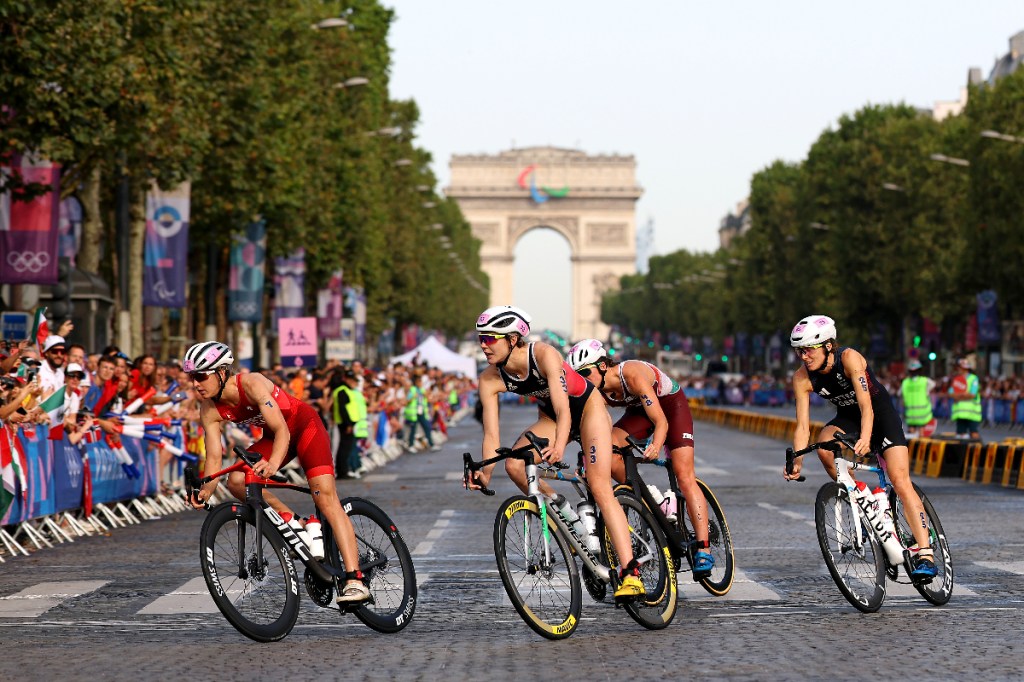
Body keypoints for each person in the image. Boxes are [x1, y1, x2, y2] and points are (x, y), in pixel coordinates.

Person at [466, 305, 645, 600]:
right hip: (550, 419)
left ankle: (630, 573)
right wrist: (485, 473)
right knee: (513, 465)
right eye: (480, 339)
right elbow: (491, 436)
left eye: (490, 339)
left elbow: (564, 409)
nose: (484, 345)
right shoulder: (488, 379)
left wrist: (559, 446)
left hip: (586, 410)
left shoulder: (544, 354)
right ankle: (563, 509)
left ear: (512, 339)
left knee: (600, 486)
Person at [184, 341, 369, 603]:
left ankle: (355, 579)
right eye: (192, 377)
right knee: (237, 480)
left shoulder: (252, 383)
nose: (196, 384)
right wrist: (205, 491)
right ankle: (295, 522)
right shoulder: (209, 408)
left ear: (222, 372)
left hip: (304, 428)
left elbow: (283, 430)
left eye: (201, 376)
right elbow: (214, 456)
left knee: (325, 499)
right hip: (275, 436)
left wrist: (271, 465)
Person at [783, 314, 938, 579]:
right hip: (848, 418)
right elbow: (802, 426)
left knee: (900, 480)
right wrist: (797, 460)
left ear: (828, 345)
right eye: (799, 351)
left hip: (880, 416)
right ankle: (862, 500)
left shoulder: (849, 358)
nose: (803, 357)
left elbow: (866, 405)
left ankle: (925, 553)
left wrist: (866, 438)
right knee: (823, 445)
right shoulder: (802, 378)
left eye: (808, 350)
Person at [567, 338, 713, 579]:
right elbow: (586, 428)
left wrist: (656, 445)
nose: (582, 379)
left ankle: (704, 548)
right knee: (609, 449)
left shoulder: (632, 374)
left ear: (603, 366)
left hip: (670, 409)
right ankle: (651, 499)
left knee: (684, 476)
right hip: (638, 414)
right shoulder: (595, 390)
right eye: (577, 375)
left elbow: (661, 422)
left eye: (585, 372)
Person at [331, 368, 368, 479]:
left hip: (350, 423)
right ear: (346, 379)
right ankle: (342, 471)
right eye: (351, 380)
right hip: (346, 423)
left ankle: (345, 469)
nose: (354, 383)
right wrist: (348, 424)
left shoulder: (348, 390)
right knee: (344, 447)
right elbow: (343, 409)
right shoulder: (342, 391)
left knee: (347, 447)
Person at [899, 360, 935, 437]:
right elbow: (933, 384)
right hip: (923, 415)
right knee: (922, 435)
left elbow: (899, 394)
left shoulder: (905, 382)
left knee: (912, 436)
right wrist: (927, 391)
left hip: (910, 415)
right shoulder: (924, 380)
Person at [949, 358, 981, 440]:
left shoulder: (973, 379)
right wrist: (963, 395)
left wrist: (958, 396)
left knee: (974, 433)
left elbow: (972, 394)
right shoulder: (957, 379)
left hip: (972, 413)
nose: (957, 369)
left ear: (964, 368)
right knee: (960, 434)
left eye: (959, 367)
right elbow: (951, 393)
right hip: (960, 413)